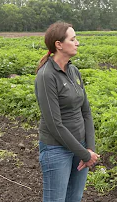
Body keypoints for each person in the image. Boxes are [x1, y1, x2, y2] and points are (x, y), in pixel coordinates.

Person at [34, 21, 100, 202]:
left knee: (74, 198)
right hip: (56, 150)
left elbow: (86, 111)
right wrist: (85, 155)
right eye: (73, 39)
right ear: (59, 44)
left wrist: (89, 148)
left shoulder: (74, 71)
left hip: (79, 146)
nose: (77, 42)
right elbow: (55, 124)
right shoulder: (46, 75)